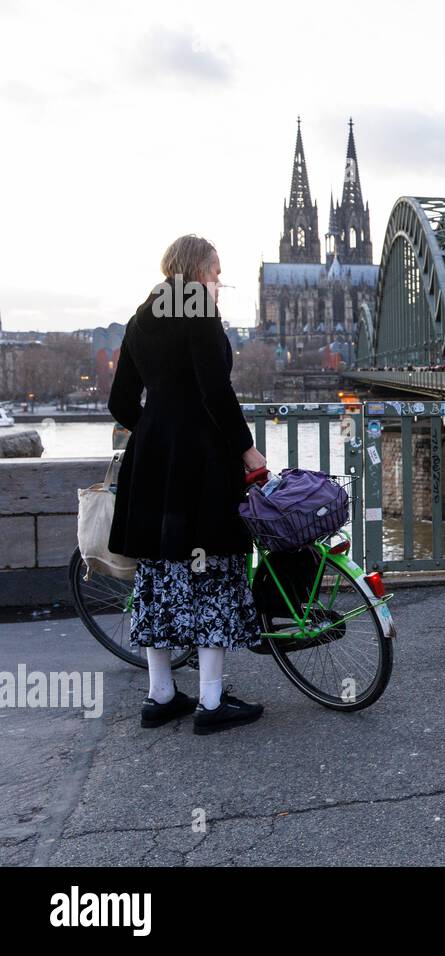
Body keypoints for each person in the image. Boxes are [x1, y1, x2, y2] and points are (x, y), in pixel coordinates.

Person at [108, 235, 267, 735]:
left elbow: (120, 403)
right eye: (216, 272)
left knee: (158, 575)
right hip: (200, 465)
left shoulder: (140, 317)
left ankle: (160, 696)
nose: (220, 282)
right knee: (213, 569)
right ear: (198, 272)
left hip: (152, 464)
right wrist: (246, 449)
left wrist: (157, 430)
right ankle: (211, 703)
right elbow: (215, 391)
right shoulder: (198, 313)